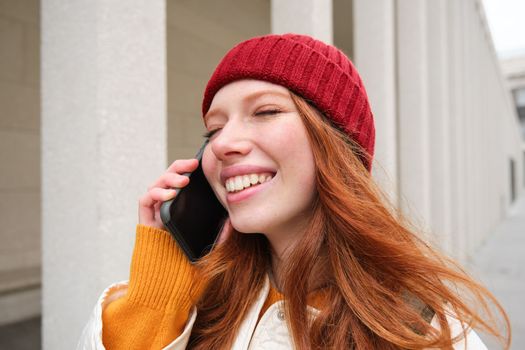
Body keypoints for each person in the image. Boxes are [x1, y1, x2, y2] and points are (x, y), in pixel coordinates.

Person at [78, 33, 510, 349]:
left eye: (265, 111)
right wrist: (156, 295)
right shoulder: (193, 302)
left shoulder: (420, 326)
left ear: (337, 145)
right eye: (214, 129)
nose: (225, 142)